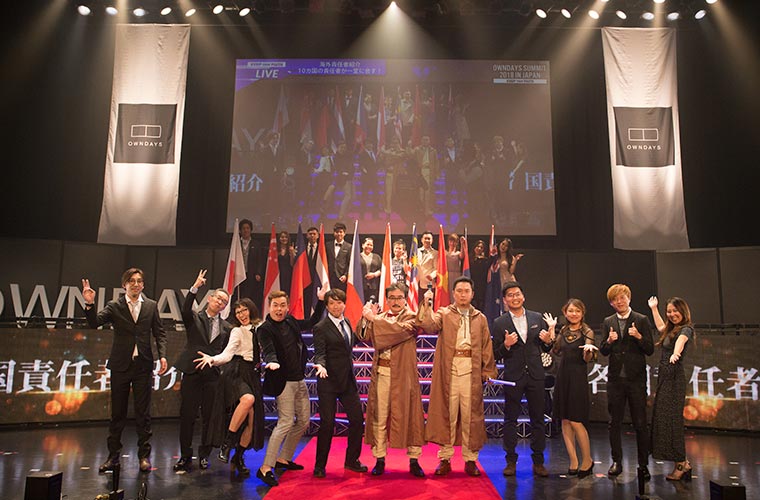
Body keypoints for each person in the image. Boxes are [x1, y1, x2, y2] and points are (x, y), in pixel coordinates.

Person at [82, 269, 167, 474]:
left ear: (143, 285)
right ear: (124, 285)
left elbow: (159, 333)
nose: (136, 284)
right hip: (120, 365)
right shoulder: (115, 306)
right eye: (131, 281)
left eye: (139, 281)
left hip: (143, 365)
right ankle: (113, 457)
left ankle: (144, 456)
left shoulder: (151, 306)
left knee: (143, 414)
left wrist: (163, 356)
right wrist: (90, 304)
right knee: (117, 413)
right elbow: (94, 323)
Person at [417, 276, 497, 477]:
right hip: (450, 370)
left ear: (472, 294)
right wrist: (427, 303)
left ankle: (470, 459)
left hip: (471, 370)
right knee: (448, 414)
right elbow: (428, 325)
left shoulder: (480, 317)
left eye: (466, 291)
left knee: (471, 416)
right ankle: (445, 458)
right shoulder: (444, 313)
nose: (463, 294)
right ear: (453, 293)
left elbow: (486, 346)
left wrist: (488, 371)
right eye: (459, 291)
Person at [256, 289, 325, 486]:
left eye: (282, 305)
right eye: (275, 306)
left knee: (303, 421)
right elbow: (268, 349)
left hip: (299, 379)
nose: (279, 309)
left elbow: (311, 322)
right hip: (283, 381)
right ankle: (265, 468)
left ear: (287, 307)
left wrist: (320, 301)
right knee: (285, 422)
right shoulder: (264, 329)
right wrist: (271, 361)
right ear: (269, 306)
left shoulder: (290, 321)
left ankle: (283, 459)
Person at [358, 284, 426, 477]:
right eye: (392, 298)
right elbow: (364, 336)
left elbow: (397, 331)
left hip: (404, 375)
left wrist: (374, 319)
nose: (396, 301)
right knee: (380, 417)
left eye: (399, 297)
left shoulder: (412, 318)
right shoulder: (379, 317)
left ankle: (414, 460)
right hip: (382, 373)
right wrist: (365, 317)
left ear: (405, 299)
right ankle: (379, 459)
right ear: (387, 300)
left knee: (411, 417)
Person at [194, 298, 265, 476]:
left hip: (254, 374)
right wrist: (212, 359)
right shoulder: (236, 331)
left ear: (251, 310)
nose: (241, 315)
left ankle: (238, 457)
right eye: (238, 312)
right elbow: (227, 354)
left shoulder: (261, 328)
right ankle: (227, 443)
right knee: (248, 399)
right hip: (237, 372)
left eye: (244, 310)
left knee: (252, 421)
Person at [491, 281, 555, 477]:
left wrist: (548, 341)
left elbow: (546, 347)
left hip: (536, 375)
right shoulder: (499, 323)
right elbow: (495, 354)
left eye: (517, 294)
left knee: (538, 419)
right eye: (510, 295)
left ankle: (538, 461)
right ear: (505, 300)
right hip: (513, 376)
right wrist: (506, 345)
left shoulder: (537, 317)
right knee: (510, 419)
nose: (515, 298)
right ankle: (510, 461)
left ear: (523, 296)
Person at [174, 270, 232, 472]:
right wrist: (195, 287)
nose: (220, 303)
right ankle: (185, 456)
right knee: (187, 416)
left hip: (212, 376)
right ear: (209, 298)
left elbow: (227, 352)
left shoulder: (227, 328)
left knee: (209, 417)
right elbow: (185, 308)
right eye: (218, 298)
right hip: (192, 372)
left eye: (224, 302)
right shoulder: (194, 318)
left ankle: (204, 455)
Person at [600, 284, 654, 480]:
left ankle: (643, 465)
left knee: (640, 423)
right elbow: (603, 350)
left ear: (629, 298)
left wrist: (638, 337)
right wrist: (609, 341)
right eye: (615, 299)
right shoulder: (608, 321)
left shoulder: (641, 319)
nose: (619, 302)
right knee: (614, 422)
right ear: (611, 303)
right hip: (615, 380)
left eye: (622, 298)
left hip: (636, 380)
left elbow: (650, 349)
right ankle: (616, 461)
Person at [312, 288, 368, 478]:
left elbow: (351, 344)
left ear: (344, 304)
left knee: (357, 420)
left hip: (347, 381)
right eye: (332, 303)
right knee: (327, 424)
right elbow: (319, 352)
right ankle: (320, 465)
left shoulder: (347, 322)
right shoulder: (321, 327)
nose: (336, 306)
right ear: (327, 306)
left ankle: (352, 460)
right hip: (328, 381)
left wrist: (366, 320)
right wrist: (320, 365)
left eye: (339, 302)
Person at [648, 296, 694, 481]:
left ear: (683, 311)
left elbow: (681, 341)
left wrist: (676, 353)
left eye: (675, 311)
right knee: (664, 418)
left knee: (673, 421)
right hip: (665, 377)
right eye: (669, 311)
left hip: (674, 378)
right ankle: (682, 462)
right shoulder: (671, 329)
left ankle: (681, 464)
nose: (672, 314)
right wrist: (654, 309)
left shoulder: (686, 329)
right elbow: (661, 327)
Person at [552, 299, 596, 477]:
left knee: (576, 420)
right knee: (565, 420)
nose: (574, 314)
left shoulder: (587, 331)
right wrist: (550, 332)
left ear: (582, 313)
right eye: (570, 311)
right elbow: (555, 350)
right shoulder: (563, 330)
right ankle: (573, 460)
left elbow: (588, 359)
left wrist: (587, 351)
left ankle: (587, 460)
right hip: (563, 376)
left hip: (578, 378)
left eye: (577, 311)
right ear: (565, 312)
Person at [238, 219, 267, 312]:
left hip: (251, 275)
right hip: (238, 274)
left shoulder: (256, 244)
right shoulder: (236, 244)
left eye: (247, 228)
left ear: (251, 230)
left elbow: (260, 260)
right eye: (243, 228)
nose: (245, 230)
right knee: (239, 295)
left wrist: (259, 273)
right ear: (240, 230)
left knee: (251, 296)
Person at [413, 135, 439, 216]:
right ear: (421, 141)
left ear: (429, 141)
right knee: (420, 192)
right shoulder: (417, 150)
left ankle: (427, 210)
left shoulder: (433, 151)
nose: (426, 141)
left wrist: (437, 174)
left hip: (429, 172)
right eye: (424, 140)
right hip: (420, 172)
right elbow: (413, 161)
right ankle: (420, 210)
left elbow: (436, 163)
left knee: (428, 192)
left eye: (427, 140)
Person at [326, 222, 351, 291]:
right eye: (337, 232)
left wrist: (345, 275)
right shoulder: (328, 245)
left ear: (344, 233)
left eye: (341, 232)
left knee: (341, 295)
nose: (339, 234)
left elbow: (349, 263)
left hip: (342, 277)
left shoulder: (349, 246)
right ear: (334, 233)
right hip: (329, 277)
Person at [469, 240, 489, 311]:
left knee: (480, 303)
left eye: (481, 247)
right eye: (478, 246)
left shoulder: (485, 260)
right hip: (472, 283)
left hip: (481, 284)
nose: (479, 248)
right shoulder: (469, 258)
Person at [360, 237, 382, 301]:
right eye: (367, 244)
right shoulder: (357, 256)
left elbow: (382, 269)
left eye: (371, 245)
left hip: (373, 286)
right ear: (363, 245)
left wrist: (374, 274)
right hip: (360, 286)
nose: (369, 246)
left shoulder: (377, 257)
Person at [277, 231, 295, 296]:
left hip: (288, 273)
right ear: (279, 239)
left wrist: (292, 253)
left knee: (287, 291)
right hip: (278, 273)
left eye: (286, 237)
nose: (284, 239)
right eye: (282, 237)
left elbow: (292, 264)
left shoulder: (291, 249)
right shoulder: (275, 249)